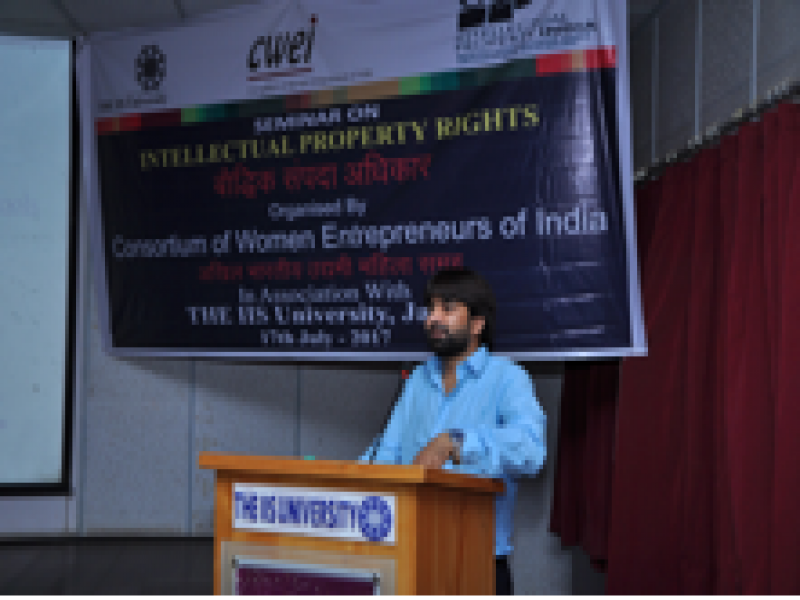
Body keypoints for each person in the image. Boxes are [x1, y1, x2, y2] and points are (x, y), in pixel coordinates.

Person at [361, 268, 547, 597]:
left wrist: (457, 441)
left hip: (475, 565)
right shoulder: (417, 381)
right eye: (431, 309)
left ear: (477, 324)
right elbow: (386, 456)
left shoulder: (507, 378)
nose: (433, 318)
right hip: (409, 559)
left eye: (447, 309)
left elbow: (531, 451)